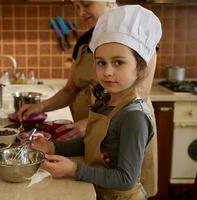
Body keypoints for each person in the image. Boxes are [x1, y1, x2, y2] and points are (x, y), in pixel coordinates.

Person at [30, 5, 162, 200]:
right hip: (98, 191)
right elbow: (93, 147)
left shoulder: (134, 116)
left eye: (118, 62)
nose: (107, 71)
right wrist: (53, 147)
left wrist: (74, 170)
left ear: (141, 69)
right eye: (101, 62)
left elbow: (125, 179)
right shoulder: (103, 102)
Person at [17, 0, 157, 141]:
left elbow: (139, 95)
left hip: (126, 135)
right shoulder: (84, 41)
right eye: (77, 7)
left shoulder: (138, 36)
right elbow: (70, 90)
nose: (80, 13)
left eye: (86, 4)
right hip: (86, 135)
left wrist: (92, 123)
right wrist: (40, 107)